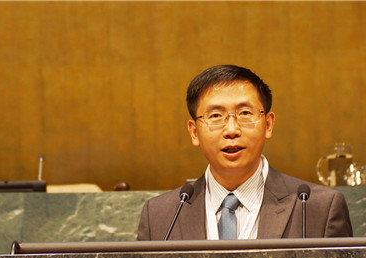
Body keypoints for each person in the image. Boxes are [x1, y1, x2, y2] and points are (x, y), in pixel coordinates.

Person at [137, 65, 352, 241]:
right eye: (215, 116)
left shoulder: (317, 209)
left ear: (268, 125)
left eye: (245, 113)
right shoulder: (161, 216)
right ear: (194, 132)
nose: (232, 130)